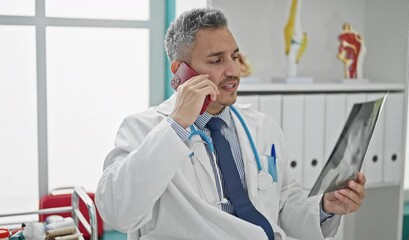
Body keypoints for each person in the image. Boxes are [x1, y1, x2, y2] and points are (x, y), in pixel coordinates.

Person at [95, 8, 366, 240]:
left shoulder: (261, 126)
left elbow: (280, 203)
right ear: (180, 70)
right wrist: (177, 125)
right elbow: (118, 211)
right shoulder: (143, 129)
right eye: (217, 60)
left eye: (234, 57)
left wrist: (323, 207)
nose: (233, 71)